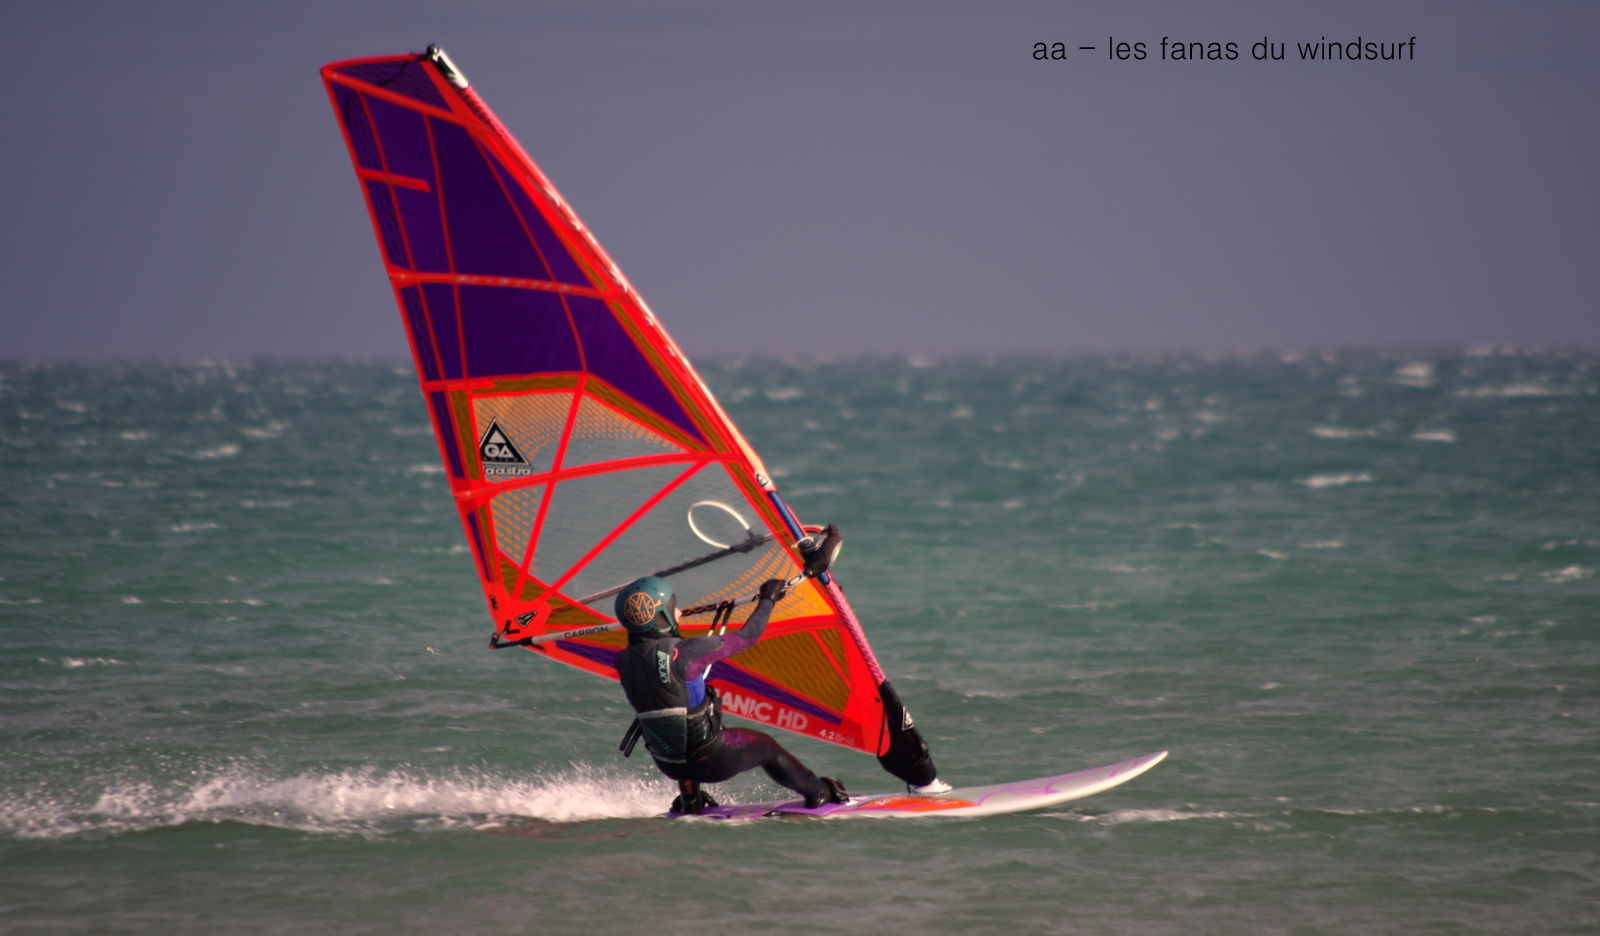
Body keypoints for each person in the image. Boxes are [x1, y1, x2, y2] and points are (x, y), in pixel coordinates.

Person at [612, 575, 850, 814]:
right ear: (660, 617)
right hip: (713, 762)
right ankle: (818, 792)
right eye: (673, 608)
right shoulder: (686, 653)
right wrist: (768, 599)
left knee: (676, 724)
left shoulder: (622, 661)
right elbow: (747, 637)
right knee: (767, 748)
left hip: (668, 765)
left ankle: (691, 802)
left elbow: (654, 660)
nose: (679, 613)